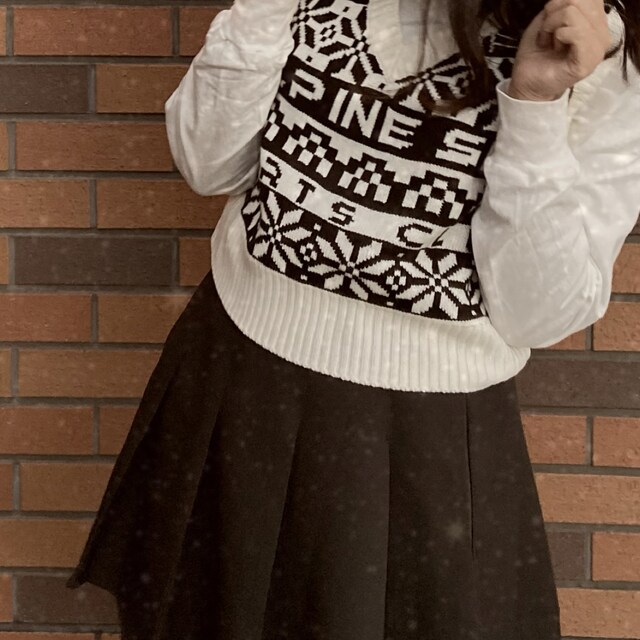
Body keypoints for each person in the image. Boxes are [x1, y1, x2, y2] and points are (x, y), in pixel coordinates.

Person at [65, 0, 640, 638]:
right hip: (234, 380)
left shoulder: (588, 43)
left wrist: (533, 105)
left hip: (427, 441)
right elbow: (209, 165)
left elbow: (538, 313)